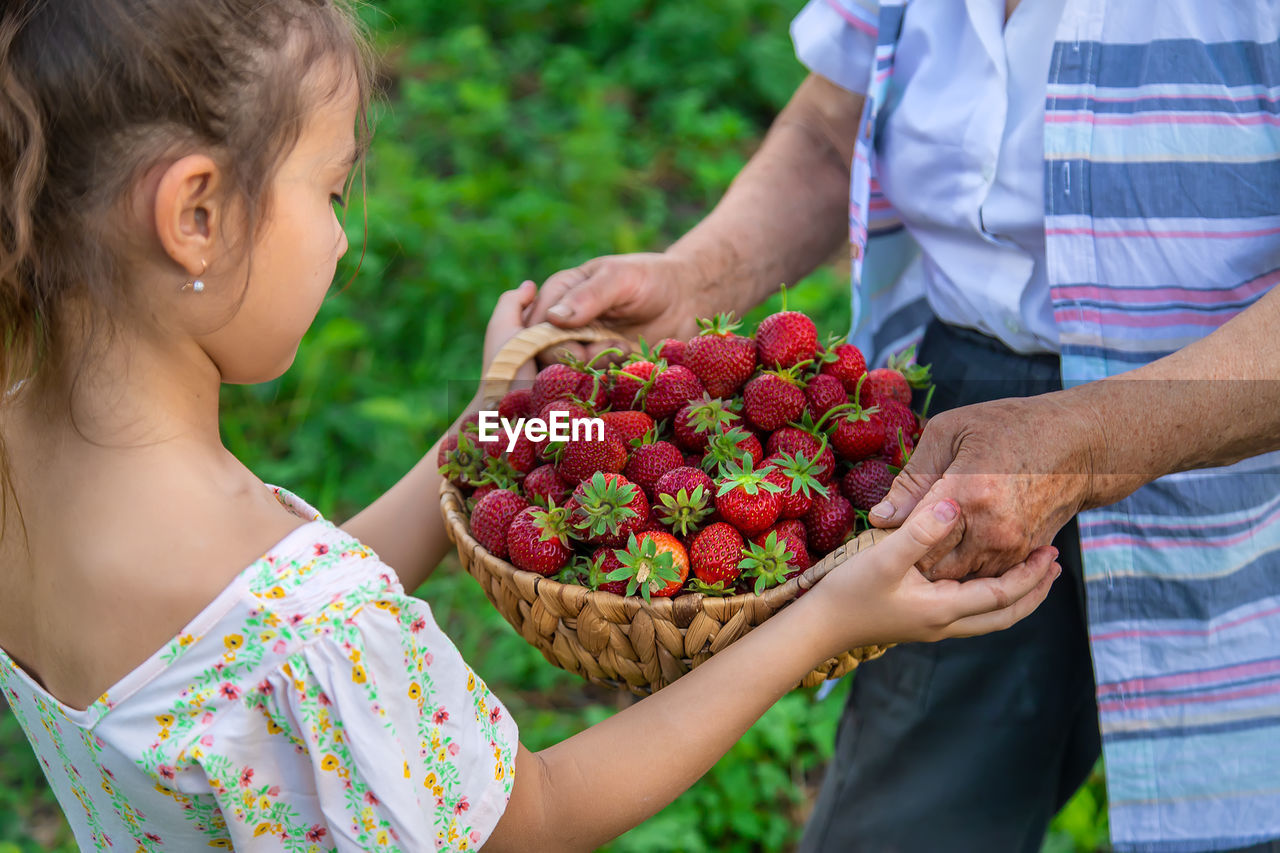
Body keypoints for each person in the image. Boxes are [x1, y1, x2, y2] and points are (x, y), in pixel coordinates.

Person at [0, 1, 1063, 851]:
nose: (337, 239)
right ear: (195, 213)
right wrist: (822, 621)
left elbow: (244, 636)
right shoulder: (310, 620)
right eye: (329, 189)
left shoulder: (30, 475)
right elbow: (534, 814)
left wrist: (485, 427)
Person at [528, 1, 1280, 851]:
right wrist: (696, 276)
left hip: (1241, 432)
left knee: (1244, 804)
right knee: (899, 824)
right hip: (960, 422)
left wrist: (1098, 439)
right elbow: (825, 130)